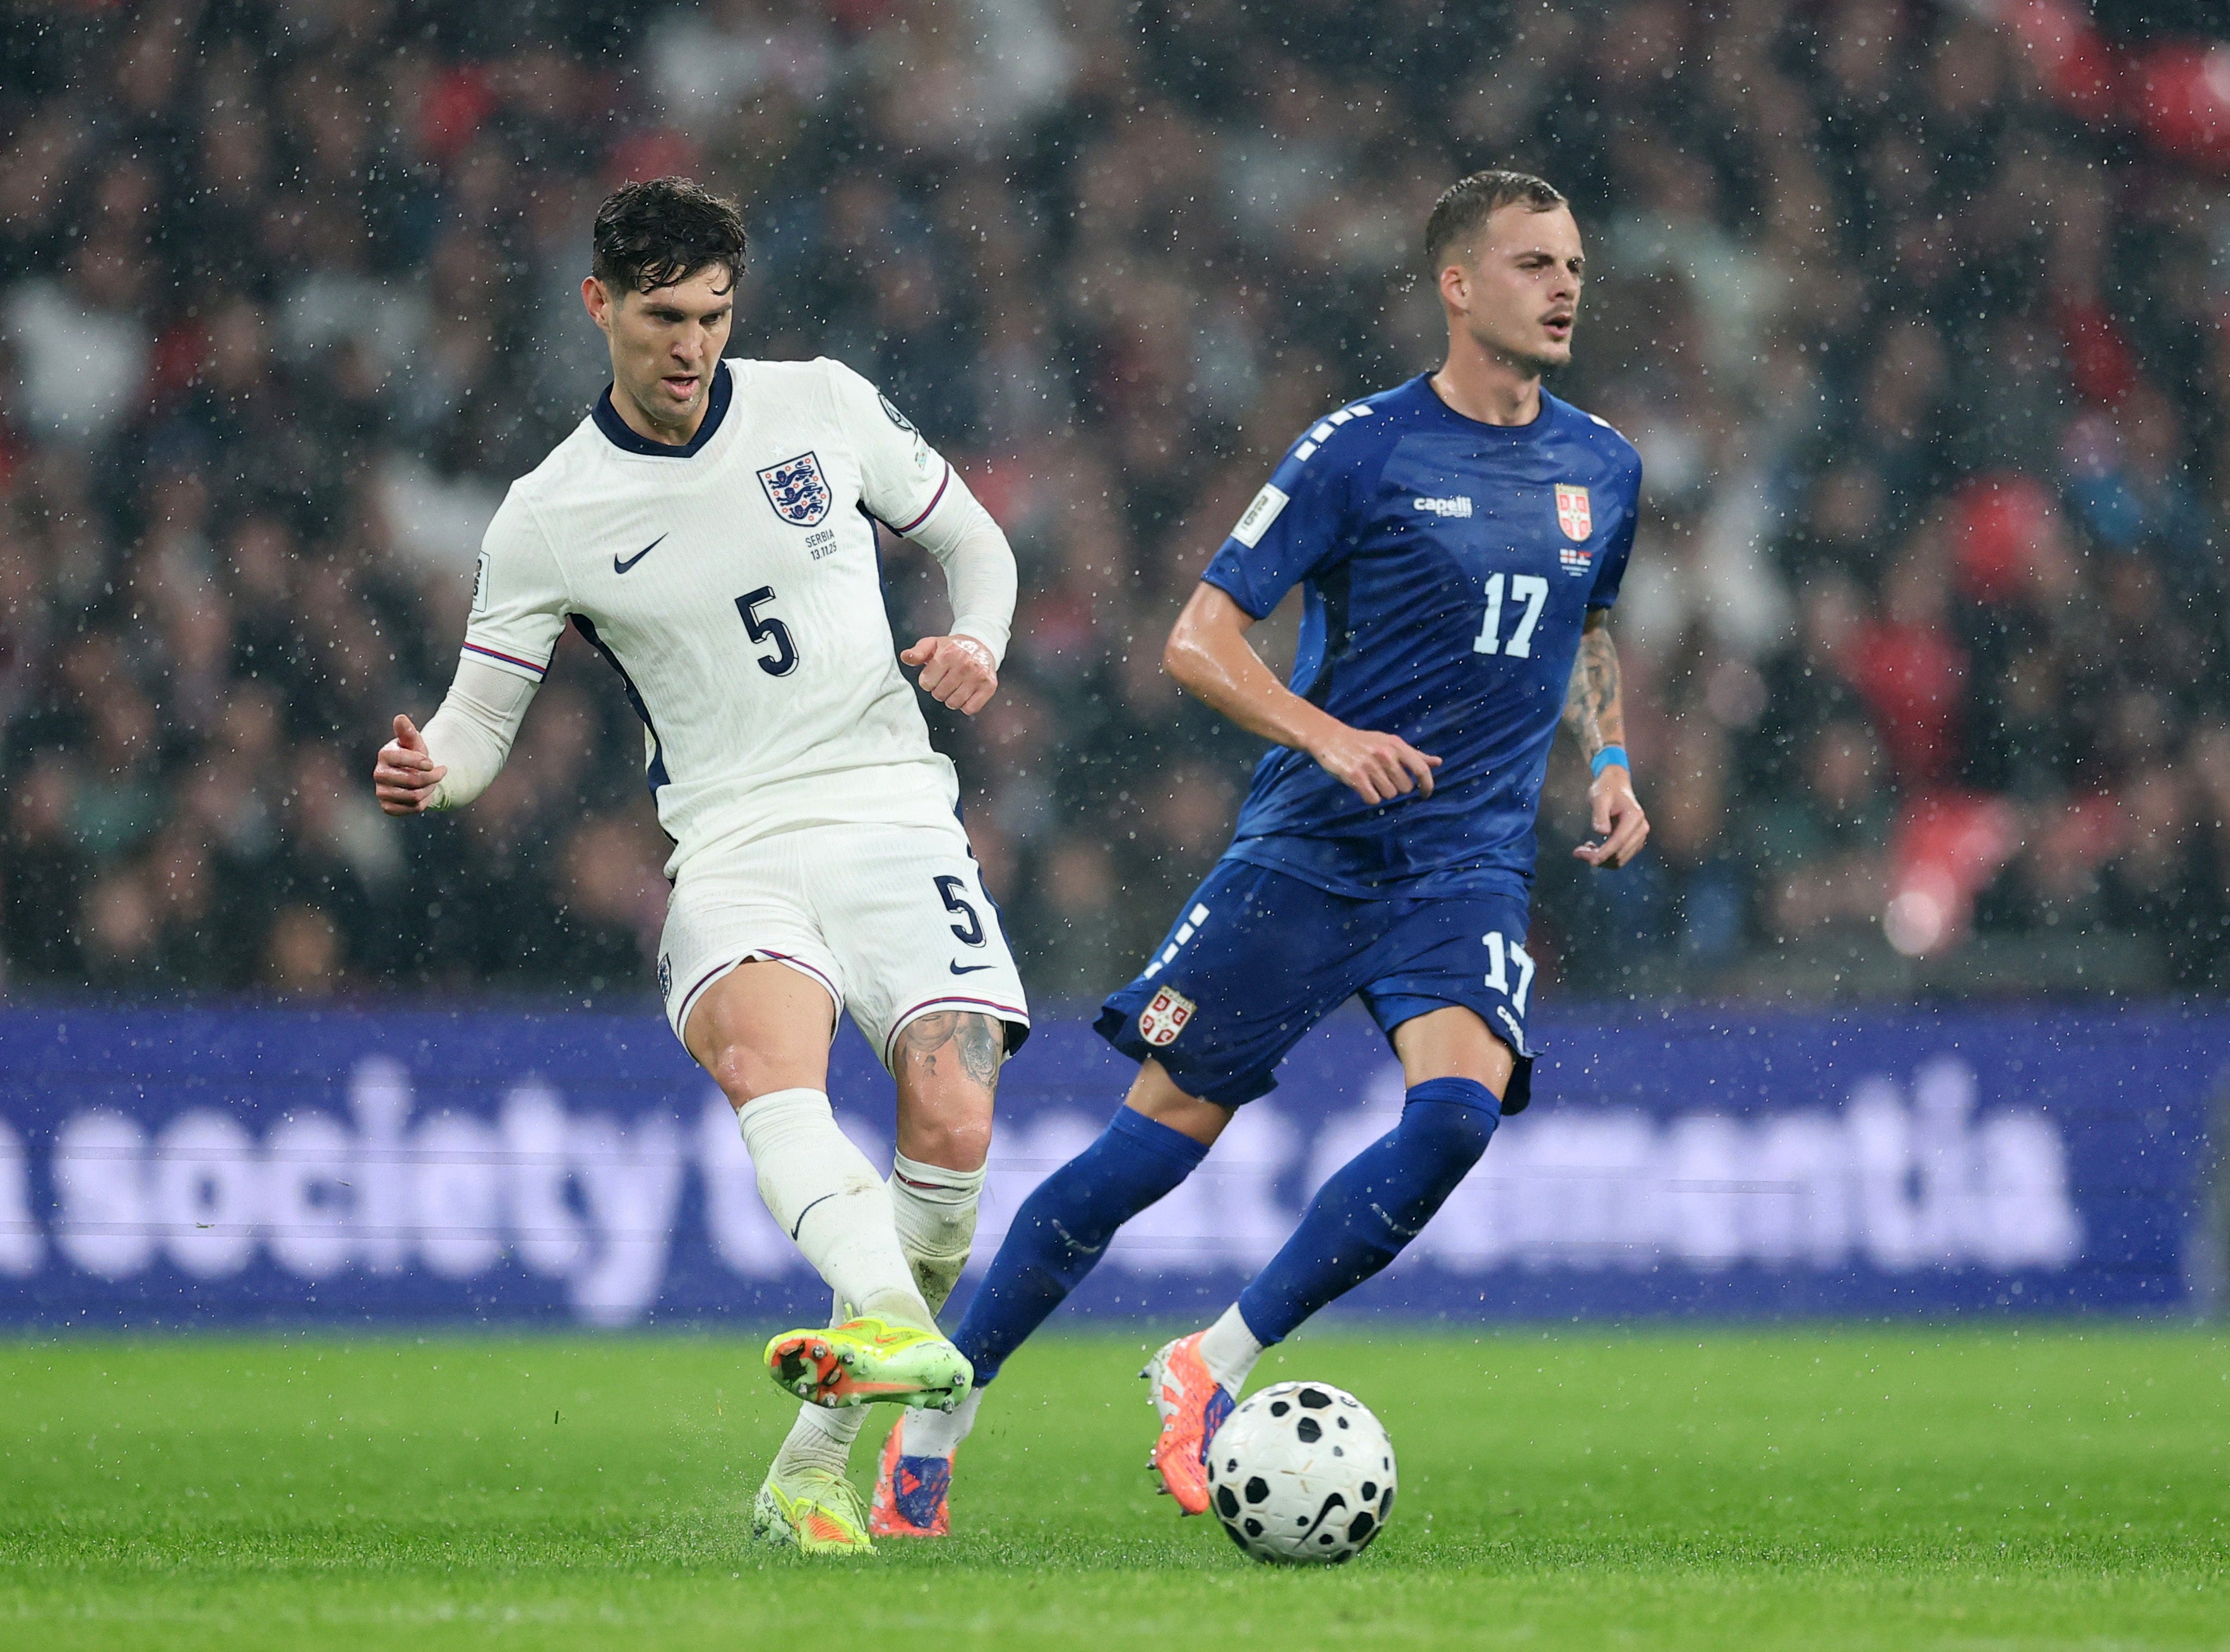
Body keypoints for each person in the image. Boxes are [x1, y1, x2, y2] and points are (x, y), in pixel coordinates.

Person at [868, 170, 1650, 1538]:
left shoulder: (1605, 465)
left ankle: (1207, 1362)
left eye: (1574, 261)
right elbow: (1197, 637)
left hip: (1464, 863)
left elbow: (1587, 625)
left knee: (1459, 1115)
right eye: (1533, 263)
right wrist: (1327, 733)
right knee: (1149, 1149)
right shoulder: (1363, 448)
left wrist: (1614, 760)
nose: (1567, 284)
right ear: (1457, 286)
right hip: (1314, 847)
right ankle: (948, 1397)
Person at [371, 178, 1026, 1555]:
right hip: (731, 844)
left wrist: (980, 642)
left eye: (715, 316)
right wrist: (432, 772)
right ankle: (899, 1334)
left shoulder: (824, 404)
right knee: (765, 1062)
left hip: (896, 808)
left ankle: (809, 1465)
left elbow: (975, 543)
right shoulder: (549, 514)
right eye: (664, 316)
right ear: (600, 304)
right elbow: (479, 727)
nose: (692, 347)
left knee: (956, 1133)